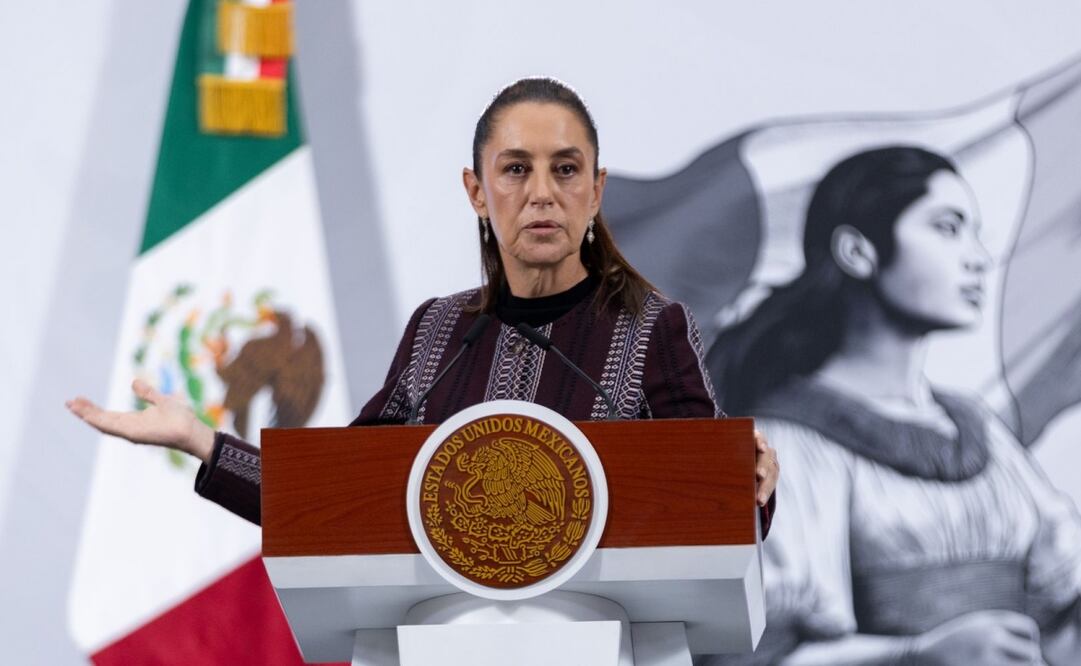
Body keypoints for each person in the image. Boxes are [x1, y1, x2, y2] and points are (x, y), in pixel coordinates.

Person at [67, 77, 779, 533]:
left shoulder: (653, 327)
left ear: (594, 192)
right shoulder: (438, 331)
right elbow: (335, 501)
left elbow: (714, 506)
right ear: (476, 192)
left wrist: (754, 487)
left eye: (565, 171)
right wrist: (201, 440)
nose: (541, 193)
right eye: (514, 170)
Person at [707, 146, 1081, 665]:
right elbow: (757, 655)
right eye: (947, 228)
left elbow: (1062, 611)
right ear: (858, 251)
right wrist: (917, 653)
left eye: (975, 232)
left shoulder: (979, 429)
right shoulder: (785, 442)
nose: (978, 257)